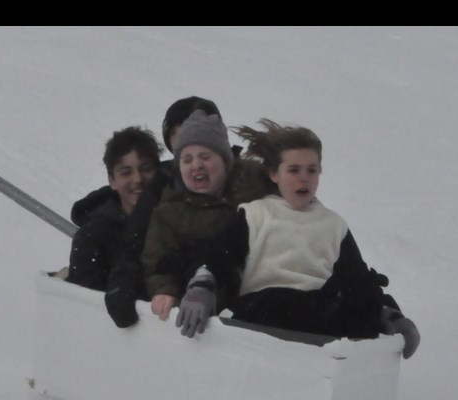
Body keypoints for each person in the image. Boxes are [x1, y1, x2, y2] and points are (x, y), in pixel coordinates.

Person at [171, 118, 420, 358]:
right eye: (294, 170)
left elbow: (358, 279)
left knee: (353, 309)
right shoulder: (255, 215)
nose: (304, 178)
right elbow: (220, 257)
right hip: (263, 313)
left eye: (311, 170)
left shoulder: (333, 225)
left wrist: (391, 314)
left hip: (318, 318)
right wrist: (202, 287)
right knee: (280, 304)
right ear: (274, 174)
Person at [92, 97, 236, 328]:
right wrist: (124, 282)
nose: (195, 159)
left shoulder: (244, 178)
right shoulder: (163, 187)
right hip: (185, 288)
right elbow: (137, 243)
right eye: (177, 136)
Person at [139, 109, 273, 325]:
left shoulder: (254, 197)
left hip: (253, 306)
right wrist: (164, 291)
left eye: (205, 156)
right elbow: (156, 264)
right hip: (198, 312)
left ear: (225, 161)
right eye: (187, 159)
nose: (196, 165)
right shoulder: (169, 213)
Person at [65, 126, 162, 292]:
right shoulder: (93, 235)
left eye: (145, 169)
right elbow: (84, 302)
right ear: (112, 180)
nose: (137, 179)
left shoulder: (178, 220)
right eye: (126, 172)